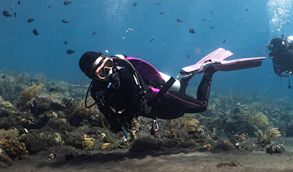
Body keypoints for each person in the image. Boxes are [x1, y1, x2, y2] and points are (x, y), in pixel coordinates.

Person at [79, 49, 265, 134]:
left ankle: (209, 71)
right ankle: (184, 78)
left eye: (109, 65)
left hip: (160, 98)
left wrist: (123, 119)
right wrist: (116, 122)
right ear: (92, 76)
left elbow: (135, 102)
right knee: (181, 100)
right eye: (102, 71)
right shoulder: (98, 92)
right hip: (153, 109)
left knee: (201, 106)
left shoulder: (125, 72)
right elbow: (108, 114)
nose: (110, 71)